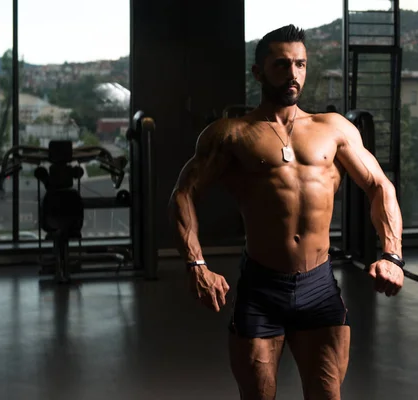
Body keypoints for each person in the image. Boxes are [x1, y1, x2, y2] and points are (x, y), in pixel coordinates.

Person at [169, 24, 405, 400]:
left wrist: (392, 254)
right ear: (258, 72)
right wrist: (196, 264)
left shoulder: (334, 129)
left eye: (300, 64)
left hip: (319, 286)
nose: (293, 73)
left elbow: (380, 186)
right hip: (262, 287)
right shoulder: (230, 133)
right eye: (282, 65)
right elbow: (183, 194)